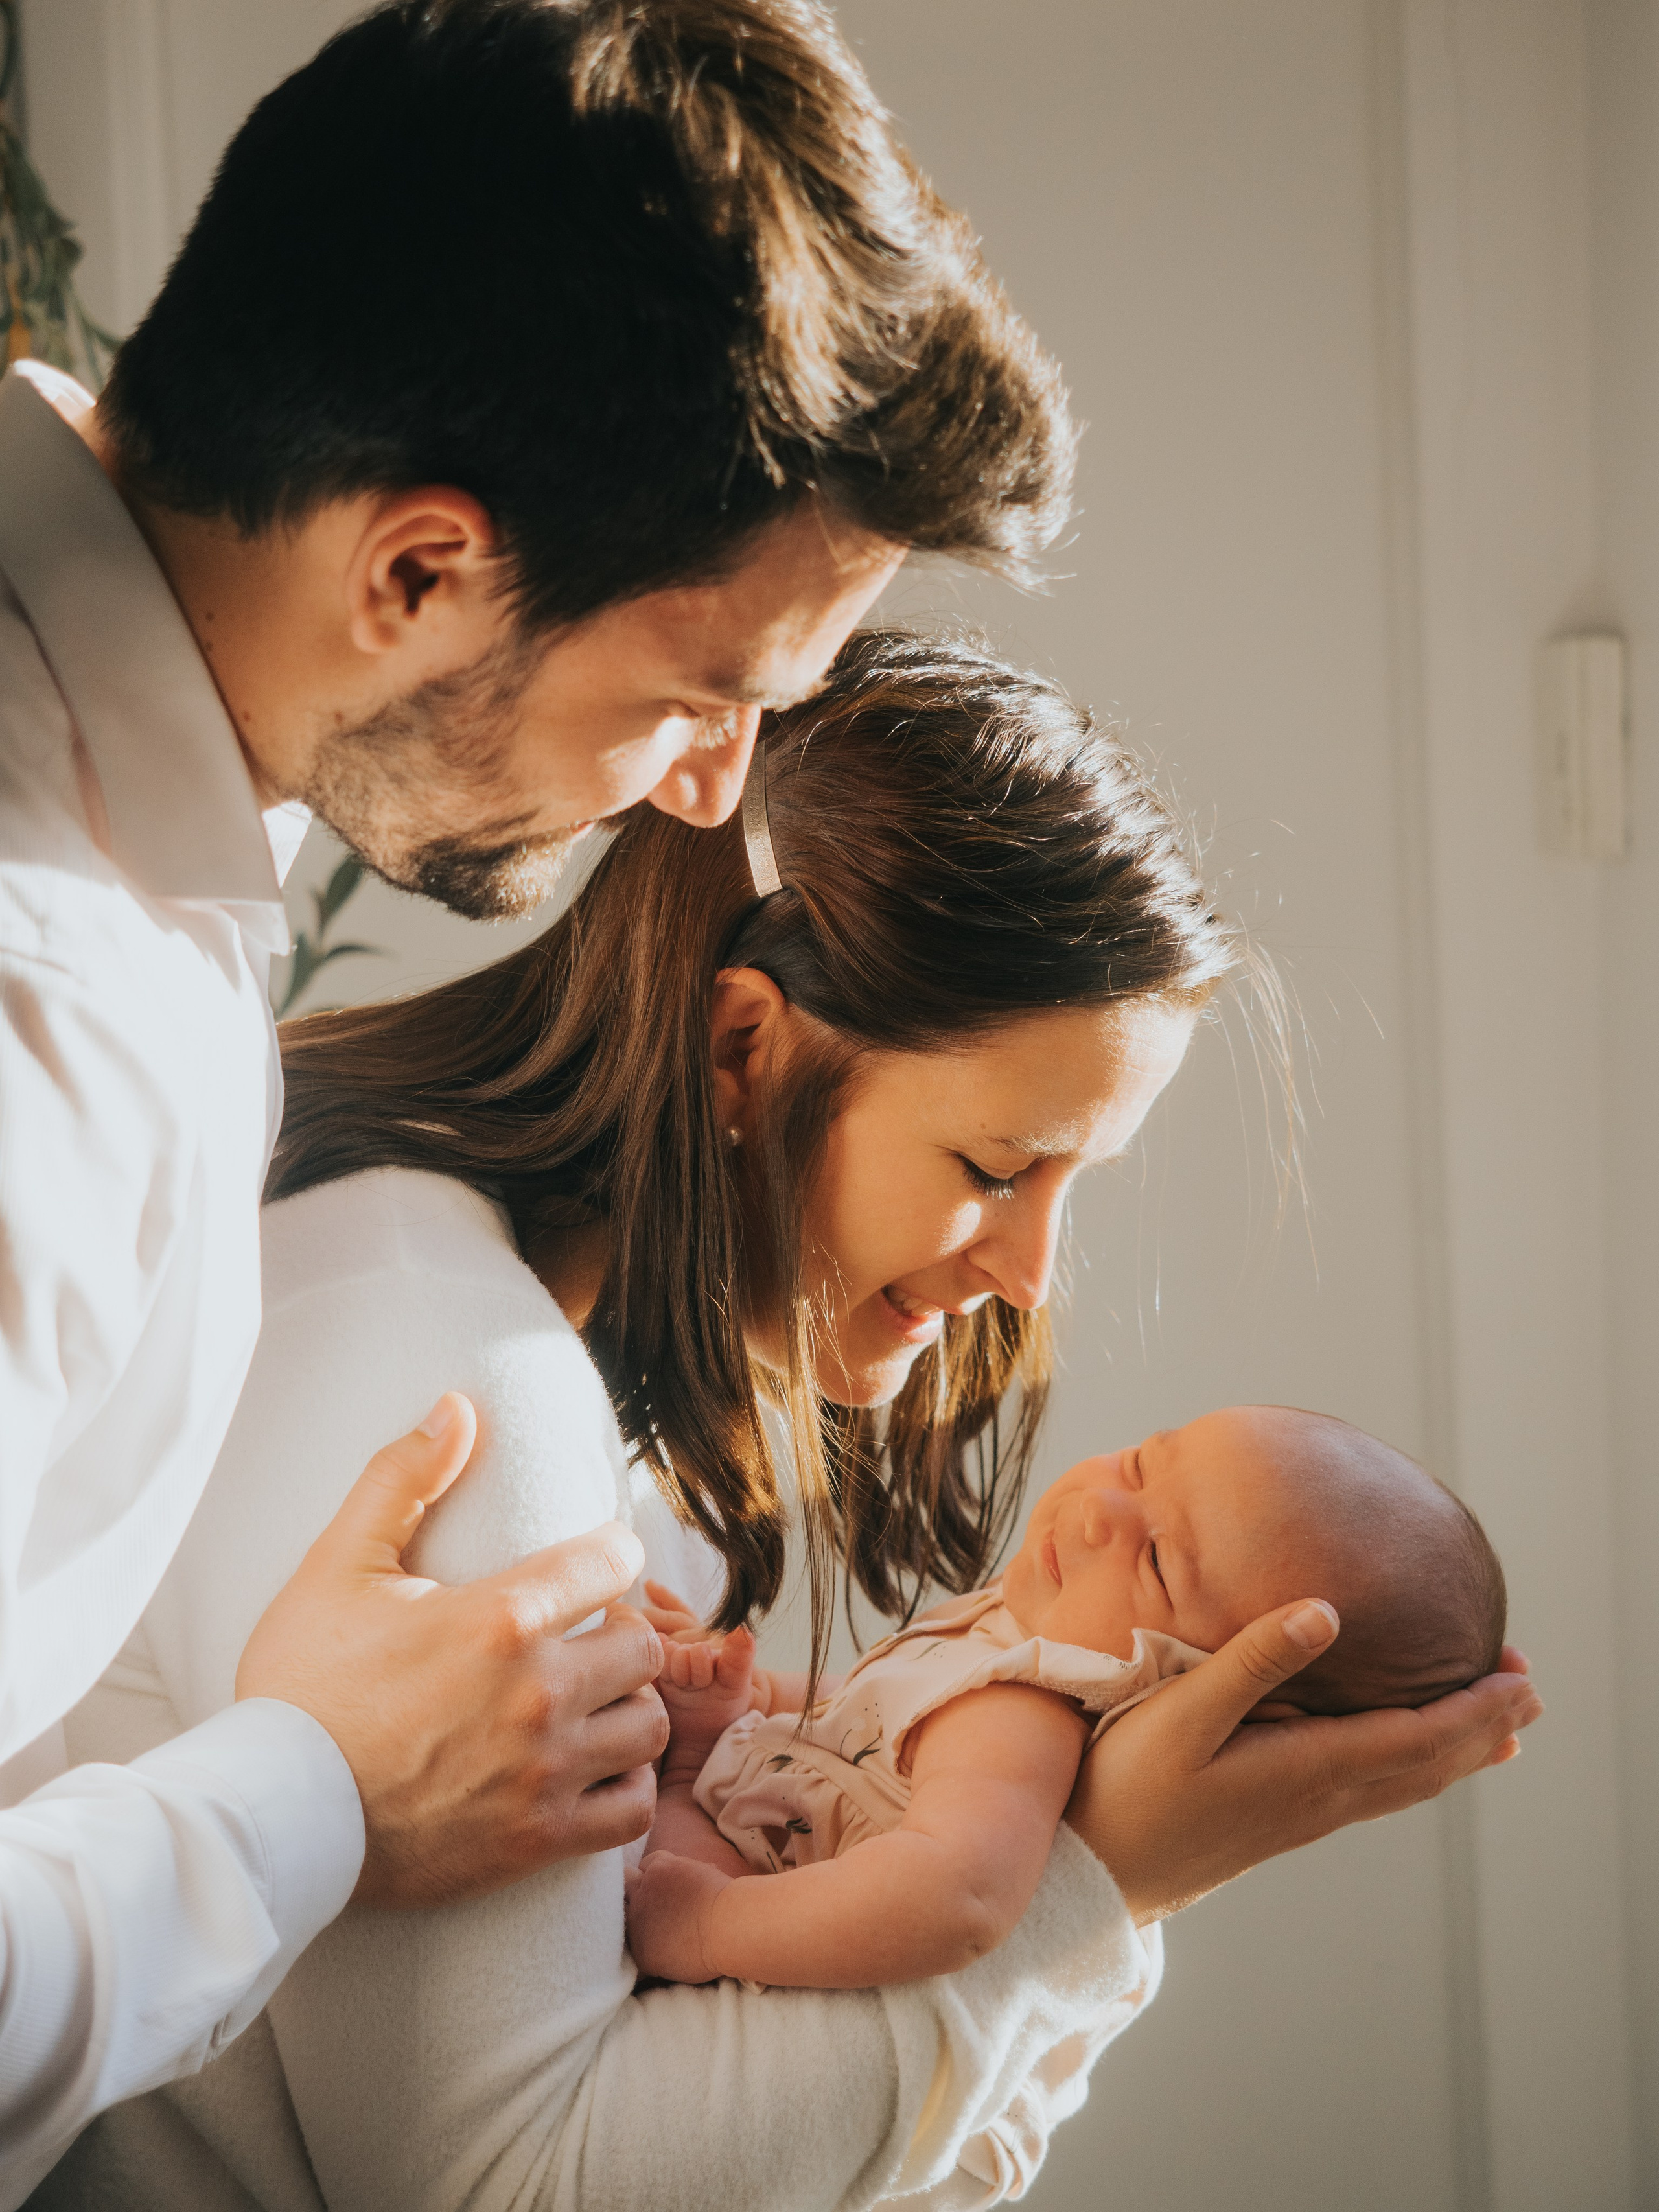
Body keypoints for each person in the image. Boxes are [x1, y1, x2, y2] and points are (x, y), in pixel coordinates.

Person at [0, 0, 1082, 2192]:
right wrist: (311, 1785)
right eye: (706, 693)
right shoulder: (49, 1021)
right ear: (417, 568)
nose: (714, 795)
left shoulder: (150, 865)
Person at [39, 634, 1539, 2211]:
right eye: (993, 1168)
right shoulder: (457, 1378)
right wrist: (1094, 1890)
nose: (1030, 1276)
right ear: (748, 1048)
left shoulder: (603, 1406)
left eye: (1071, 1188)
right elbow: (506, 2187)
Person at [629, 1406, 1507, 2002]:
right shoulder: (1003, 1629)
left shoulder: (1026, 1715)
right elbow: (865, 1723)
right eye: (1139, 1464)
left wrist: (712, 1924)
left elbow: (958, 1899)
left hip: (757, 1914)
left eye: (1160, 1562)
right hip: (739, 1820)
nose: (1098, 1513)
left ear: (1221, 1693)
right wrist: (750, 1697)